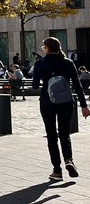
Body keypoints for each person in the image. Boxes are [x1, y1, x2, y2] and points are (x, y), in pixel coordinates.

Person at [32, 37, 89, 181]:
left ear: (47, 48)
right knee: (65, 134)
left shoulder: (40, 63)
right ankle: (69, 160)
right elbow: (77, 86)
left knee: (51, 136)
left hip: (47, 102)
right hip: (66, 102)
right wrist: (84, 106)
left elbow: (34, 85)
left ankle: (57, 170)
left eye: (44, 47)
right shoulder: (68, 63)